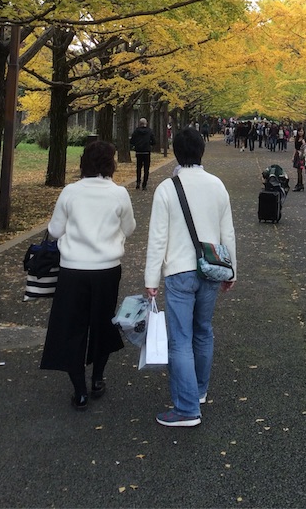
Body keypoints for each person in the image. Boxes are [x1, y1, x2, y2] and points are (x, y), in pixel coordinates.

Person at [144, 127, 236, 427]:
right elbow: (228, 233)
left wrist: (151, 279)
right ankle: (198, 392)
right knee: (203, 331)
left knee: (180, 339)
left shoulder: (167, 189)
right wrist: (232, 269)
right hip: (210, 269)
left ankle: (185, 409)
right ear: (202, 151)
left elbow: (158, 238)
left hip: (179, 272)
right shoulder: (217, 185)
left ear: (176, 152)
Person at [40, 140, 136, 410]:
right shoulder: (118, 194)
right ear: (111, 164)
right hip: (106, 269)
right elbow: (129, 228)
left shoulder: (70, 192)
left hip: (72, 270)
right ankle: (97, 378)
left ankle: (79, 390)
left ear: (84, 162)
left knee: (72, 328)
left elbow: (56, 230)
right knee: (102, 324)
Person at [130, 117, 156, 190]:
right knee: (146, 169)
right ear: (146, 123)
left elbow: (131, 141)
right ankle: (144, 184)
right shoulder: (149, 131)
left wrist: (136, 144)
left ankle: (138, 182)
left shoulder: (136, 131)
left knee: (138, 168)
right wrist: (149, 143)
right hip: (146, 152)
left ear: (139, 123)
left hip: (138, 151)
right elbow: (154, 142)